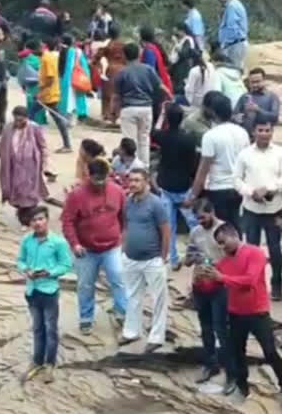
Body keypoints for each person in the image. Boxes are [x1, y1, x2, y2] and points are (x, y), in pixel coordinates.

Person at [201, 223, 282, 412]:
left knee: (270, 352)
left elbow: (250, 280)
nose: (222, 247)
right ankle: (243, 387)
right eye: (219, 244)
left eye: (224, 242)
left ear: (235, 235)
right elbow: (211, 287)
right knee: (238, 353)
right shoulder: (223, 263)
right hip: (236, 312)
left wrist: (222, 278)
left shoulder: (255, 253)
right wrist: (201, 280)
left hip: (258, 312)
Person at [62, 158, 128, 333]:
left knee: (118, 279)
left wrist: (123, 237)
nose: (99, 184)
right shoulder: (76, 195)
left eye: (103, 179)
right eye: (95, 180)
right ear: (88, 176)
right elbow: (67, 221)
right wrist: (74, 244)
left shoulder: (118, 191)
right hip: (86, 249)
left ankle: (122, 312)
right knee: (85, 284)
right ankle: (86, 317)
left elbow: (124, 217)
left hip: (112, 246)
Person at [233, 117, 282, 301]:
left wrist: (271, 189)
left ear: (272, 132)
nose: (264, 134)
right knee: (252, 250)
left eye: (267, 130)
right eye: (261, 130)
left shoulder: (281, 153)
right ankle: (254, 285)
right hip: (251, 209)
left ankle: (276, 286)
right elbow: (237, 179)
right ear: (254, 132)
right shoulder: (245, 154)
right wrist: (251, 192)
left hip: (273, 209)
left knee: (275, 251)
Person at [16, 206, 73, 383]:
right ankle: (37, 360)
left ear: (47, 220)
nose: (38, 223)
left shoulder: (58, 242)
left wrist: (49, 272)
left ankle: (50, 363)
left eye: (41, 219)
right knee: (37, 327)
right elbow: (20, 260)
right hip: (32, 290)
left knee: (51, 328)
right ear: (30, 223)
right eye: (34, 220)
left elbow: (66, 265)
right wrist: (26, 270)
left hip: (49, 290)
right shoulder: (27, 241)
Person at [119, 168, 171, 353]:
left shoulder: (156, 204)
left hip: (152, 259)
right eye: (130, 180)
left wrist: (163, 257)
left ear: (146, 181)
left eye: (137, 180)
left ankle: (157, 337)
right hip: (131, 258)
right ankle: (131, 331)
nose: (133, 184)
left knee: (158, 298)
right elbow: (125, 226)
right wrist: (123, 249)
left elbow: (165, 230)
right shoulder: (128, 202)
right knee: (132, 296)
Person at [184, 199, 232, 386]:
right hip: (200, 284)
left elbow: (234, 256)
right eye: (198, 219)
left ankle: (231, 368)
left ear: (212, 212)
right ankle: (210, 363)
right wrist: (192, 258)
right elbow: (188, 259)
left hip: (220, 285)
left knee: (221, 328)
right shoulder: (195, 232)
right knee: (205, 327)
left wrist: (213, 264)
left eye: (203, 217)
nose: (201, 222)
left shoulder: (225, 230)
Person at [188, 93, 249, 232]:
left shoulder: (210, 136)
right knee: (236, 229)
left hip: (218, 189)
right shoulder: (242, 132)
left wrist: (192, 196)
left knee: (221, 231)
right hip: (239, 187)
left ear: (211, 111)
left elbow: (203, 171)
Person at [152, 104, 199, 269]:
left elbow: (154, 131)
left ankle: (173, 259)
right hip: (184, 186)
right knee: (193, 222)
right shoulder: (189, 139)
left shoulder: (162, 136)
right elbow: (194, 164)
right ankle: (198, 251)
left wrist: (161, 115)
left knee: (168, 225)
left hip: (165, 186)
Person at [114, 42, 173, 169]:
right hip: (146, 108)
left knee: (130, 141)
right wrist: (170, 97)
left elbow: (117, 96)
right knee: (144, 140)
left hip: (128, 109)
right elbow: (161, 86)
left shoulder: (122, 73)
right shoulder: (148, 69)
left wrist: (115, 111)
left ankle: (131, 169)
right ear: (139, 54)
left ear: (124, 56)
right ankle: (144, 168)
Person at [0, 106, 50, 225]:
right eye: (16, 120)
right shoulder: (8, 128)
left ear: (26, 118)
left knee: (30, 195)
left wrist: (45, 165)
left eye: (21, 120)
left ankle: (28, 220)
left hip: (30, 168)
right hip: (12, 167)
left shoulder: (34, 128)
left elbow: (43, 147)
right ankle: (23, 216)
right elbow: (1, 146)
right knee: (15, 195)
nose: (18, 123)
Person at [33, 37, 72, 153]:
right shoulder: (46, 57)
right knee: (32, 114)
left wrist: (40, 92)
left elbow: (50, 79)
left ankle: (67, 145)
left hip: (49, 95)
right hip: (47, 94)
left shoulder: (48, 58)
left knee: (57, 119)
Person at [94, 24, 127, 123]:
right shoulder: (124, 45)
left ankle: (107, 115)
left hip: (111, 70)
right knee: (120, 94)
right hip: (123, 70)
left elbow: (96, 58)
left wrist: (97, 67)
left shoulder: (108, 45)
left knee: (107, 94)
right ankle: (118, 115)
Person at [234, 68, 280, 138]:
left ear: (264, 80)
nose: (255, 85)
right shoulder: (244, 97)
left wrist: (258, 110)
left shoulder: (272, 97)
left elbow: (274, 117)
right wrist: (236, 118)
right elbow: (234, 115)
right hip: (244, 138)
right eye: (252, 82)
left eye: (257, 82)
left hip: (264, 137)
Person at [58, 34, 92, 122]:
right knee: (79, 97)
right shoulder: (78, 52)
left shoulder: (61, 52)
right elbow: (84, 66)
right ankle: (81, 114)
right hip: (77, 78)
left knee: (66, 99)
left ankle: (66, 117)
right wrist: (87, 77)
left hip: (65, 80)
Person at [216, 0, 249, 70]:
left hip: (235, 44)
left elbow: (232, 27)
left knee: (234, 70)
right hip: (237, 43)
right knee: (236, 68)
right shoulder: (235, 4)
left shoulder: (231, 6)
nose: (220, 1)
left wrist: (225, 44)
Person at [17, 39, 47, 125]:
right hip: (37, 84)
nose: (43, 48)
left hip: (29, 85)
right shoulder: (35, 59)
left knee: (30, 102)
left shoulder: (25, 57)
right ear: (36, 48)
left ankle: (32, 120)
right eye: (41, 46)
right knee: (38, 103)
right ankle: (37, 122)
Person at [169, 23, 197, 97]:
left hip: (183, 68)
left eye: (177, 31)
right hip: (177, 68)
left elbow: (184, 54)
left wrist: (176, 43)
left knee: (180, 88)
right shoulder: (181, 40)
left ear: (182, 31)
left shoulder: (188, 40)